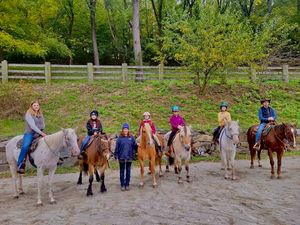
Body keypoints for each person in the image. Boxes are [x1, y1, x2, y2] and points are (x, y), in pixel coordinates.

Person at [17, 101, 47, 174]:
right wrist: (41, 133)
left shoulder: (40, 114)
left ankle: (54, 159)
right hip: (30, 133)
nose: (36, 107)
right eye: (34, 105)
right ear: (31, 106)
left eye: (37, 105)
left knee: (50, 141)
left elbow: (43, 124)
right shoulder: (28, 114)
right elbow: (32, 126)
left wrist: (42, 129)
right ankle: (20, 164)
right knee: (25, 146)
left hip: (39, 132)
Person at [114, 123, 137, 191]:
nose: (125, 130)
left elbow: (135, 146)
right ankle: (122, 185)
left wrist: (138, 146)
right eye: (124, 129)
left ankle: (127, 184)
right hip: (121, 157)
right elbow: (117, 148)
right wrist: (116, 155)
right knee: (122, 172)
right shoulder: (119, 138)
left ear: (128, 129)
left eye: (127, 129)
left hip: (129, 157)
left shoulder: (131, 137)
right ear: (122, 130)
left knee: (128, 171)